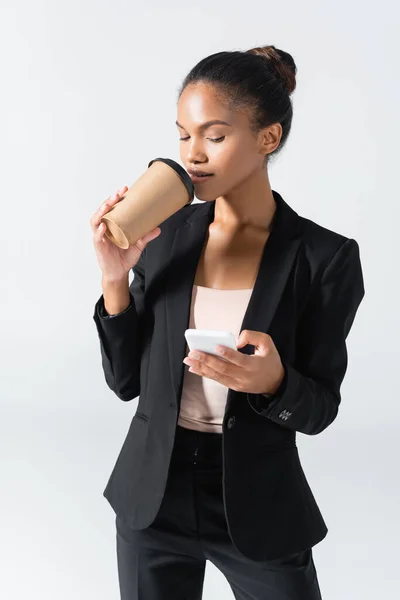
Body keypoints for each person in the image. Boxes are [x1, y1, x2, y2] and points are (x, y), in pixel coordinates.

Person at [91, 45, 365, 600]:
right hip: (154, 497)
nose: (193, 155)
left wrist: (272, 384)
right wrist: (114, 279)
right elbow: (125, 384)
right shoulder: (165, 235)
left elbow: (320, 408)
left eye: (214, 136)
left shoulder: (323, 258)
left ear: (269, 137)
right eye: (183, 136)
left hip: (257, 503)